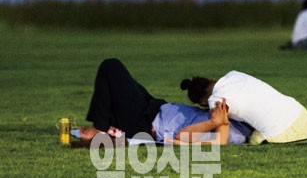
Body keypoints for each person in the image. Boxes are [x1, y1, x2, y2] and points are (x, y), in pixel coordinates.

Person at [79, 58, 252, 145]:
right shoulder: (238, 117)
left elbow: (181, 137)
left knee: (111, 67)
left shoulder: (231, 131)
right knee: (115, 84)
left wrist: (214, 122)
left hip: (146, 124)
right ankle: (107, 124)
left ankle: (101, 128)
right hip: (154, 108)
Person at [180, 71, 307, 145]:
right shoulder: (233, 74)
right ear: (211, 79)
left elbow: (222, 133)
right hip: (303, 116)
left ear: (202, 102)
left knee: (253, 140)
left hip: (282, 134)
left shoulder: (215, 101)